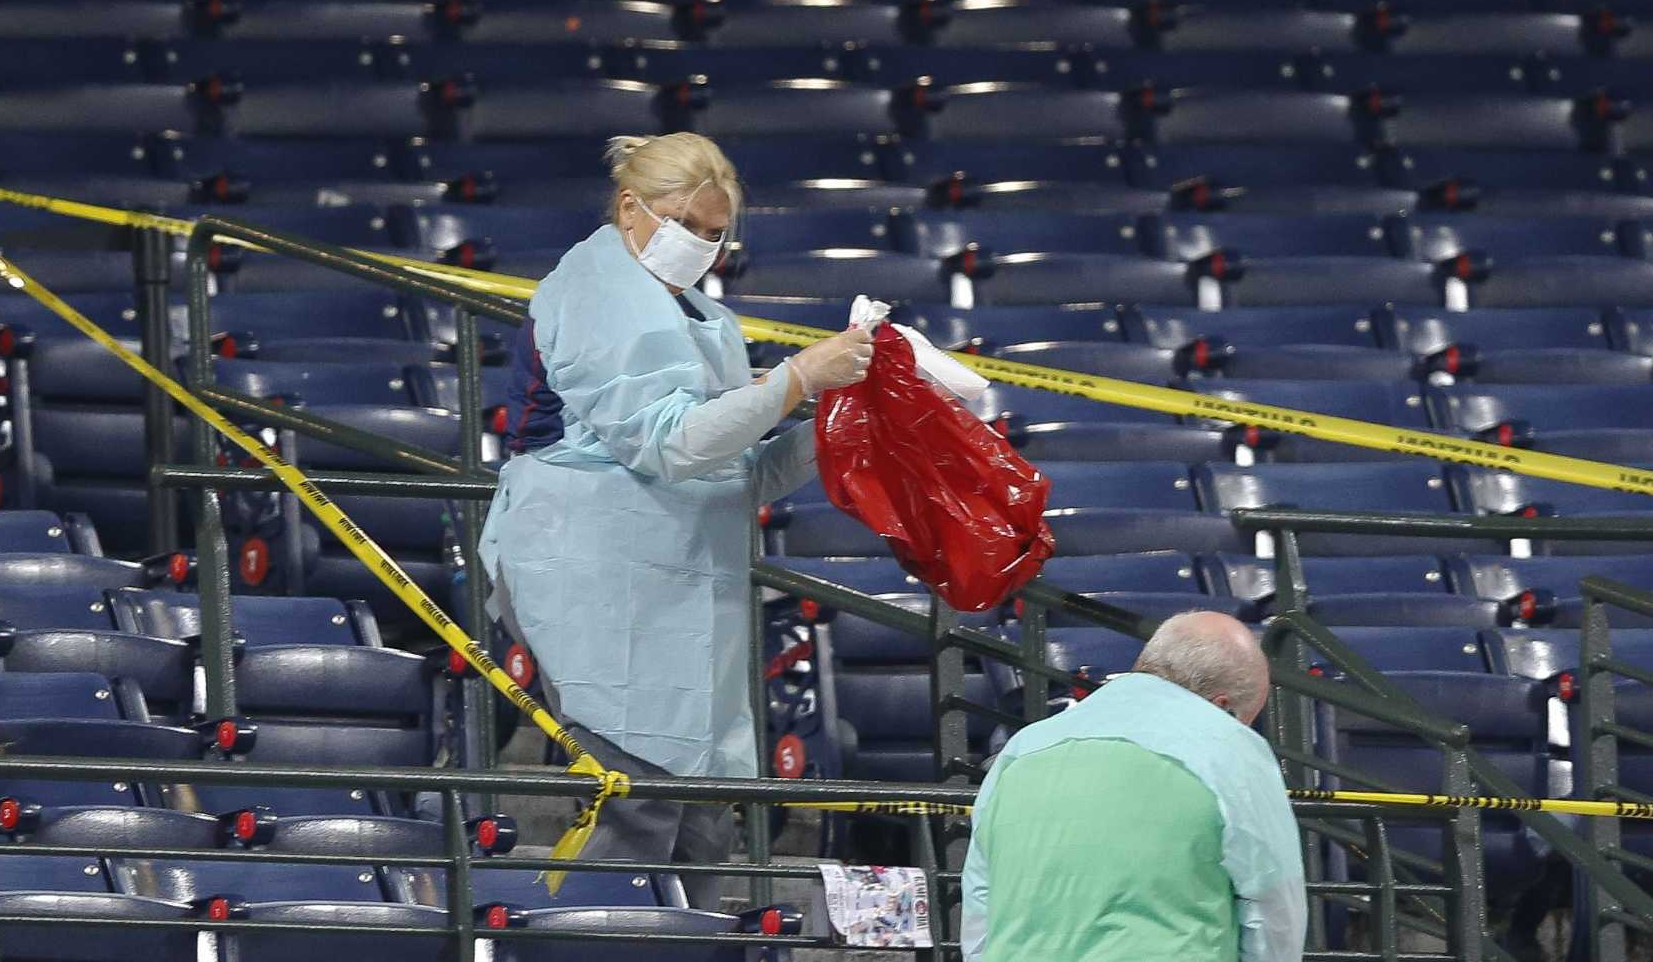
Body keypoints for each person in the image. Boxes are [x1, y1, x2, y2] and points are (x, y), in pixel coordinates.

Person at [477, 132, 874, 907]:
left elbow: (738, 468)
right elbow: (670, 444)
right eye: (683, 223)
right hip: (596, 577)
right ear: (630, 209)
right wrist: (798, 376)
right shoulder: (595, 297)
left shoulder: (701, 320)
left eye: (713, 231)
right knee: (639, 809)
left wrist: (833, 430)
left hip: (684, 587)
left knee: (704, 826)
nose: (701, 244)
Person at [961, 610, 1306, 961]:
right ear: (1222, 706)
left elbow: (978, 906)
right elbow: (1273, 908)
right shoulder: (1232, 746)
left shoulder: (1022, 749)